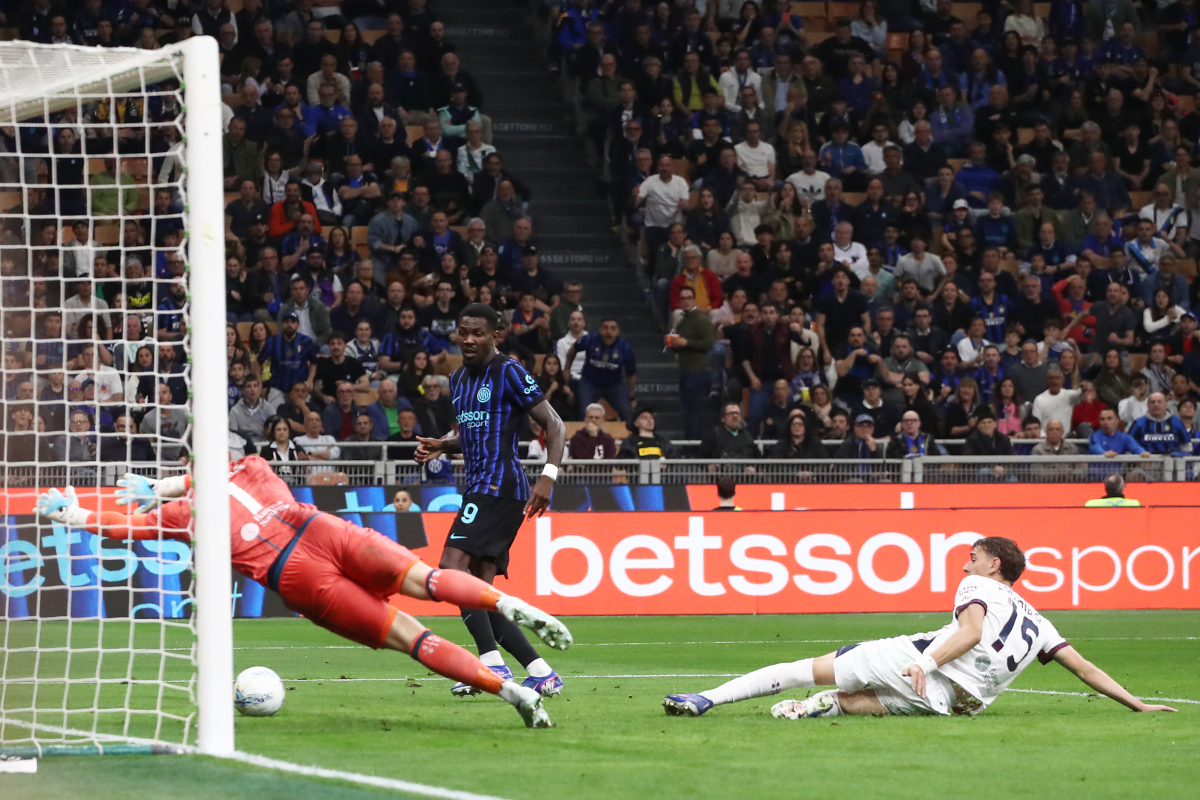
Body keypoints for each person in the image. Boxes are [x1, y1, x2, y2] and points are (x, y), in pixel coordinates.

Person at [36, 459, 568, 729]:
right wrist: (162, 486)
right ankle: (507, 603)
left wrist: (73, 511)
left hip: (298, 576)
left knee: (412, 638)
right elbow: (198, 476)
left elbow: (119, 527)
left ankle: (514, 694)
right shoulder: (252, 467)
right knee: (427, 581)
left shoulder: (185, 516)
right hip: (320, 527)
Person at [663, 537, 1176, 719]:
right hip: (960, 702)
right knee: (863, 702)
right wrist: (1137, 703)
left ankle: (707, 698)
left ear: (994, 564)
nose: (966, 563)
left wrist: (925, 660)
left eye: (973, 556)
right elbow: (1083, 668)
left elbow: (971, 632)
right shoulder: (1038, 621)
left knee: (808, 668)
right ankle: (822, 710)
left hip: (929, 663)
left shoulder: (979, 588)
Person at [413, 303, 568, 698]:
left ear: (495, 334)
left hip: (500, 487)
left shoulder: (509, 371)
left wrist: (548, 477)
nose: (468, 339)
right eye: (463, 332)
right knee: (480, 591)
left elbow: (554, 424)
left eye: (477, 333)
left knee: (450, 570)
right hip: (479, 486)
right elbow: (473, 434)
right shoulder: (459, 379)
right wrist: (442, 445)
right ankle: (540, 671)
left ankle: (490, 665)